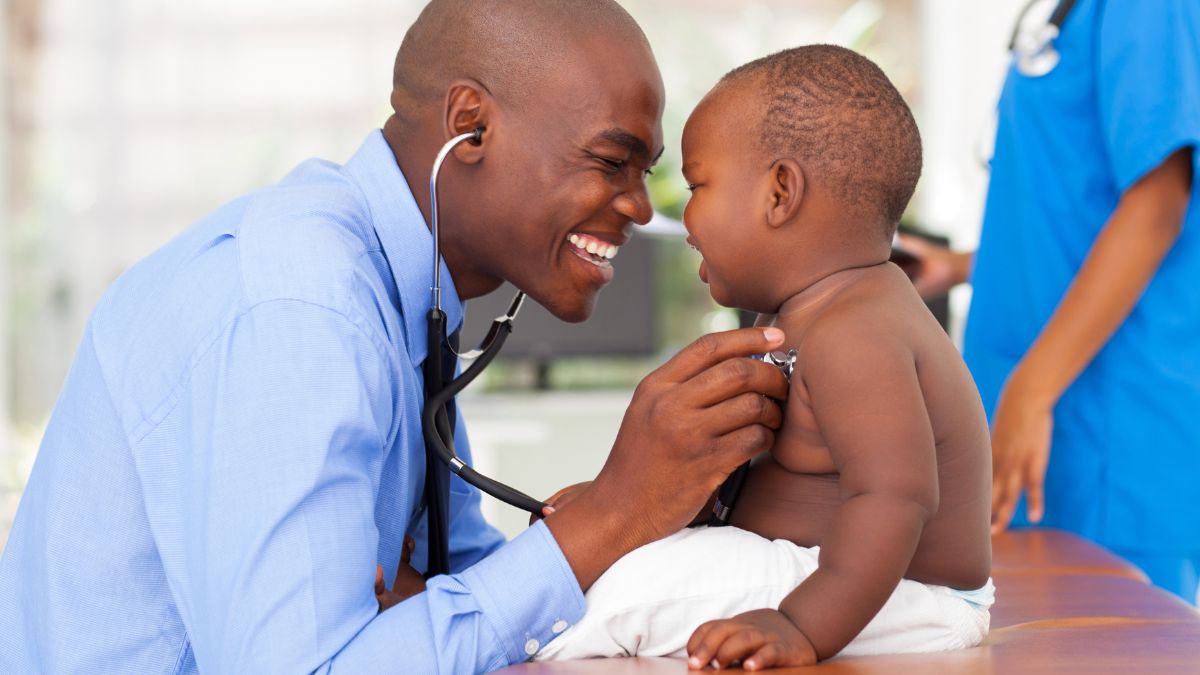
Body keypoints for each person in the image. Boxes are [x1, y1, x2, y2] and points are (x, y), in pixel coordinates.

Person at [0, 2, 792, 672]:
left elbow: (458, 589)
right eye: (612, 161)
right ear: (470, 128)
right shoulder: (303, 311)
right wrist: (613, 511)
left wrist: (633, 514)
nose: (638, 206)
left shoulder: (405, 302)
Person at [534, 46, 994, 670]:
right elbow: (743, 474)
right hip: (827, 575)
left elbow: (895, 499)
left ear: (780, 192)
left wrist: (799, 625)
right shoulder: (796, 317)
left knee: (620, 596)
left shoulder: (858, 334)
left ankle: (460, 637)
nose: (682, 216)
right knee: (604, 562)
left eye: (697, 185)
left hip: (893, 595)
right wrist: (619, 514)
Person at [899, 0, 1200, 602]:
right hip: (1043, 411)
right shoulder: (1070, 14)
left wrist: (1032, 389)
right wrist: (962, 267)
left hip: (1106, 421)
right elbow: (1073, 208)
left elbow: (1158, 201)